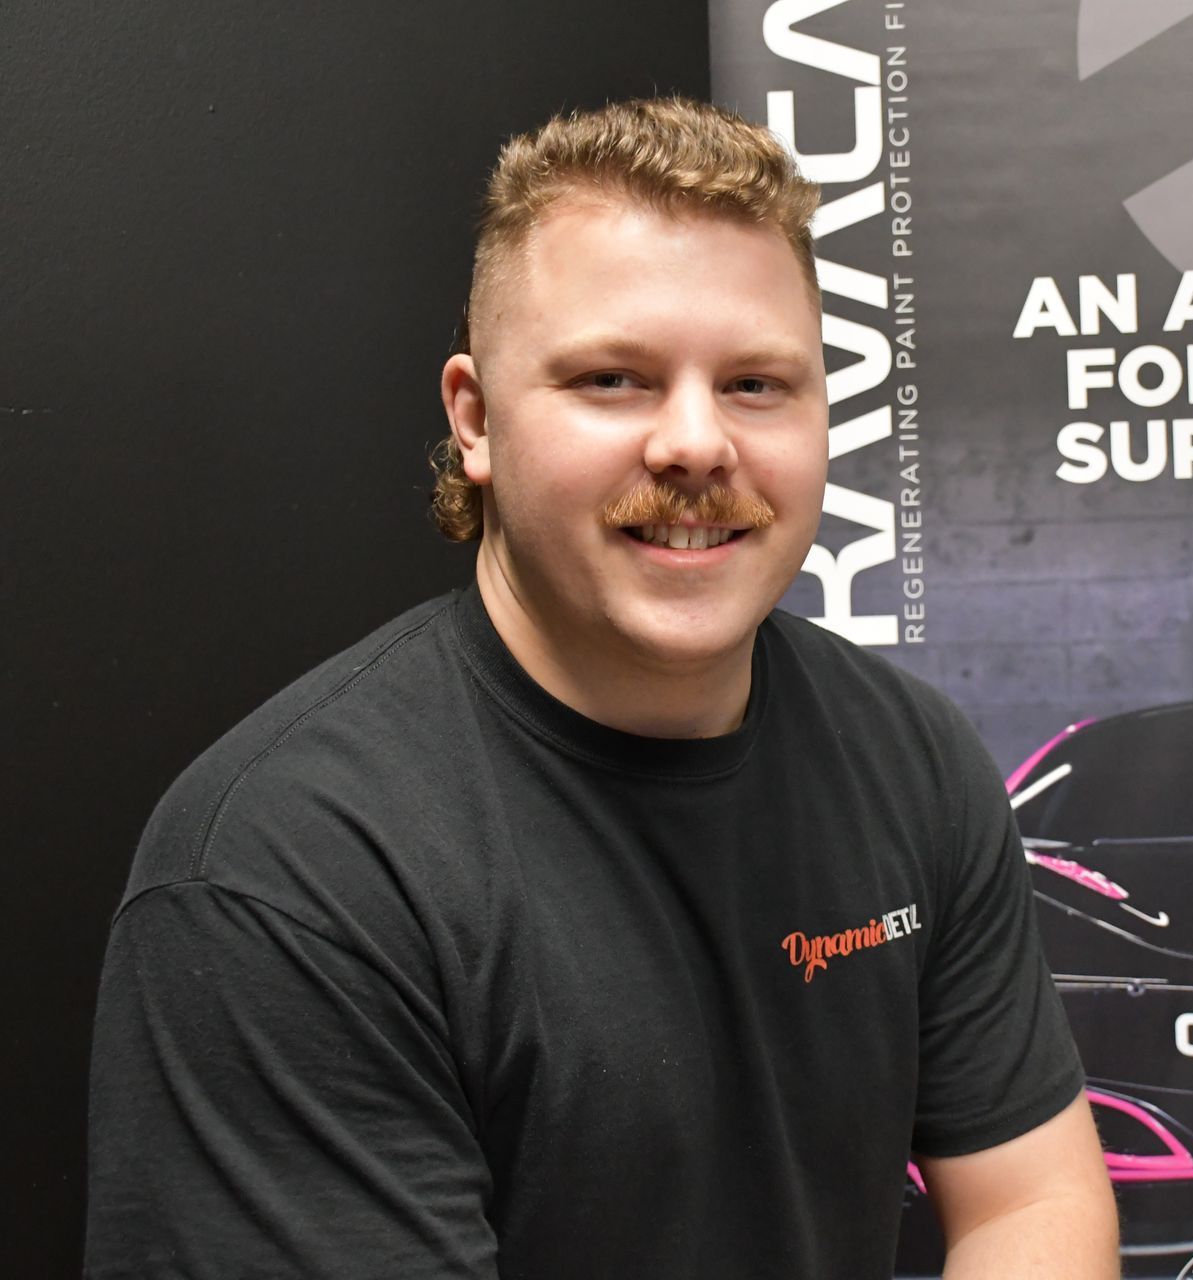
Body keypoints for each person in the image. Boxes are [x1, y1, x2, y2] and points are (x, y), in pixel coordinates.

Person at [85, 97, 1119, 1278]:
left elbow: (1026, 1204)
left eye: (755, 384)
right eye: (614, 379)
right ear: (473, 420)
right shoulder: (288, 870)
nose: (693, 444)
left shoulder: (908, 754)